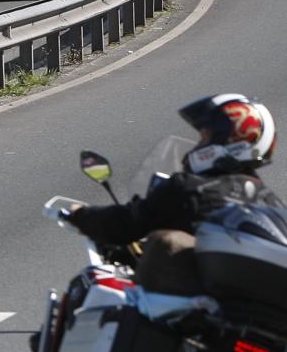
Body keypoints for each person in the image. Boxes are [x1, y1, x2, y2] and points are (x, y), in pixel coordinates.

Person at [66, 93, 281, 295]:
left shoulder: (192, 189)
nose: (198, 146)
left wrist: (80, 215)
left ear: (229, 142)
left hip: (205, 316)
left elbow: (128, 222)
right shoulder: (272, 204)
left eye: (205, 138)